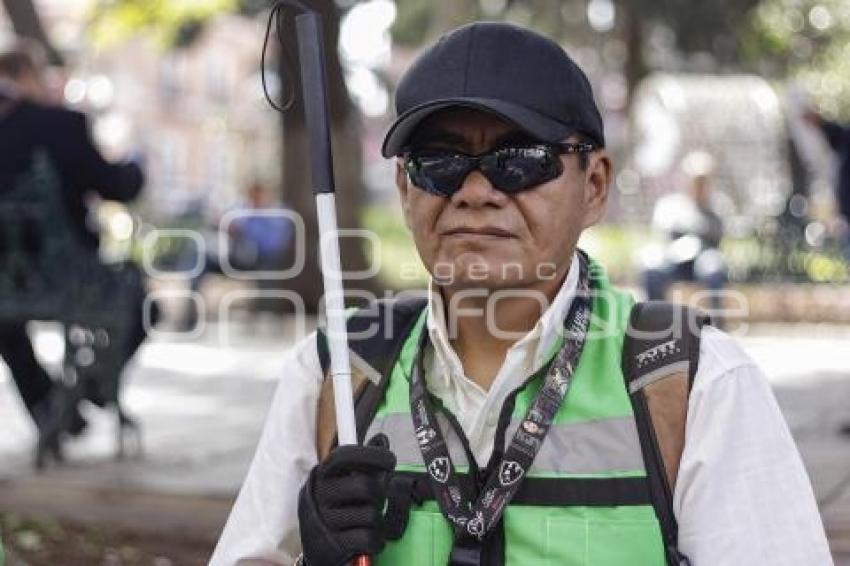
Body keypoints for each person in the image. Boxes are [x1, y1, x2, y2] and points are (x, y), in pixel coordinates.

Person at [211, 23, 831, 565]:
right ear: (405, 190)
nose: (475, 191)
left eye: (521, 157)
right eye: (439, 160)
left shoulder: (695, 384)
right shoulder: (337, 373)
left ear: (594, 185)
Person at [0, 42, 145, 461]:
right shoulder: (62, 125)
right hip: (69, 277)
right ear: (28, 76)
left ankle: (54, 408)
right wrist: (136, 165)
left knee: (5, 322)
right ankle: (92, 388)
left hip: (6, 283)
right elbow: (118, 187)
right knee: (136, 291)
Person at [177, 182, 294, 329]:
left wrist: (246, 232)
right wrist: (227, 227)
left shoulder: (276, 215)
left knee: (268, 268)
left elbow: (274, 244)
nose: (255, 200)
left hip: (260, 259)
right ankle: (190, 313)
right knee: (198, 258)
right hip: (234, 255)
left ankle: (265, 315)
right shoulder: (242, 209)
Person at [643, 151, 728, 314]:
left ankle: (717, 322)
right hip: (675, 259)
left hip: (703, 258)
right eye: (696, 180)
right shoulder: (670, 204)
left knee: (714, 268)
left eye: (704, 181)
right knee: (652, 268)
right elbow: (664, 231)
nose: (699, 185)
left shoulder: (717, 205)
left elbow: (717, 235)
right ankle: (655, 318)